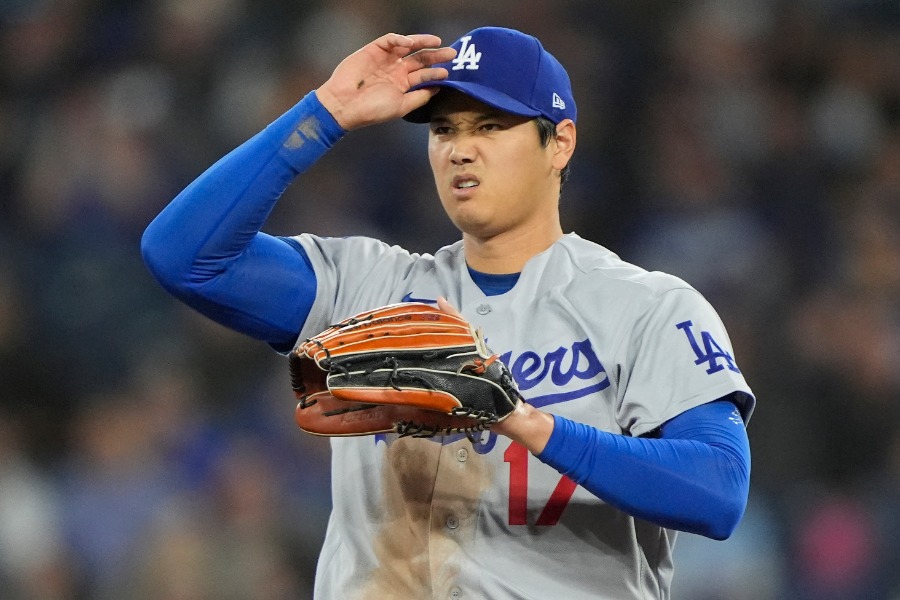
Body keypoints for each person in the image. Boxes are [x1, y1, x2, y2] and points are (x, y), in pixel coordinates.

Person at [142, 26, 755, 600]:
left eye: (490, 126)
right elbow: (184, 257)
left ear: (560, 142)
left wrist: (522, 420)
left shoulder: (645, 307)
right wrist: (325, 113)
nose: (461, 150)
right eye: (444, 130)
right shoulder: (369, 288)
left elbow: (718, 489)